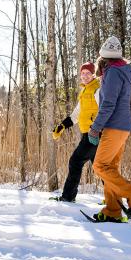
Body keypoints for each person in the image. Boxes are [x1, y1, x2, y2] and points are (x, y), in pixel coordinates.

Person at [88, 36, 131, 223]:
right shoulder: (122, 70)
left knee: (99, 166)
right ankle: (112, 210)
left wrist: (95, 128)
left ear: (104, 57)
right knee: (110, 167)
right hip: (122, 126)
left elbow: (108, 104)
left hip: (114, 126)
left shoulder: (113, 73)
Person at [50, 61, 101, 202]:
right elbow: (76, 114)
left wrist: (96, 127)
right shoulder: (85, 91)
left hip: (94, 133)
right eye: (83, 73)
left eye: (88, 73)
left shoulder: (97, 90)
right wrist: (62, 126)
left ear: (93, 74)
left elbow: (105, 111)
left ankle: (68, 196)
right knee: (101, 167)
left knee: (75, 161)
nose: (85, 76)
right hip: (89, 133)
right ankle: (112, 198)